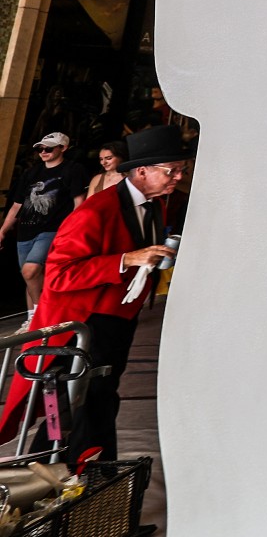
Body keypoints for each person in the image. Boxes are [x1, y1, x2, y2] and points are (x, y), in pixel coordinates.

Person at [0, 125, 189, 462]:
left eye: (180, 170)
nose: (177, 177)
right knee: (71, 406)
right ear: (141, 171)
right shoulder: (95, 211)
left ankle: (94, 484)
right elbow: (58, 275)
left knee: (100, 398)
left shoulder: (154, 205)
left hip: (116, 320)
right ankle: (52, 483)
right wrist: (126, 259)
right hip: (82, 324)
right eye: (171, 170)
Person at [1, 133, 89, 317]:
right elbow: (18, 205)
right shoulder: (31, 173)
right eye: (40, 149)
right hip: (25, 229)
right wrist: (3, 230)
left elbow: (78, 201)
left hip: (52, 229)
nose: (43, 152)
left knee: (30, 271)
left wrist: (72, 230)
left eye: (48, 148)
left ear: (62, 148)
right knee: (30, 277)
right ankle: (32, 318)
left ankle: (40, 315)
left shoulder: (73, 169)